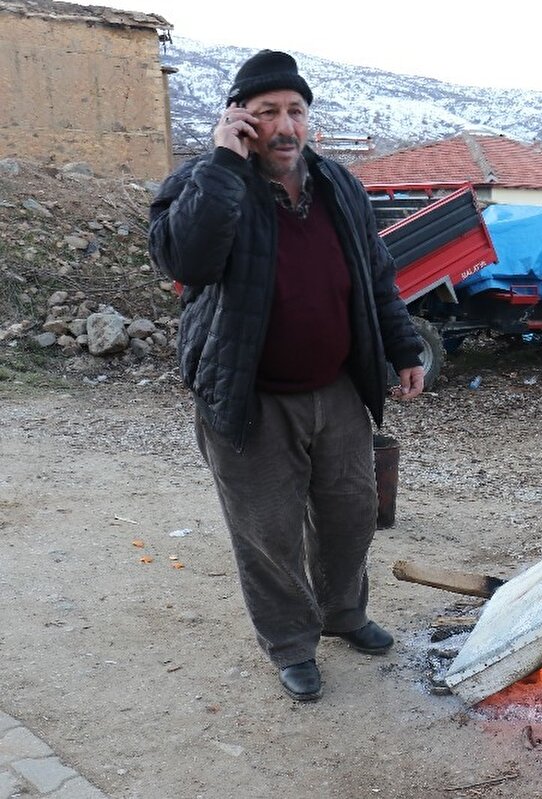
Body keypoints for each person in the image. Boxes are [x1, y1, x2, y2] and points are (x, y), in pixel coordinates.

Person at [148, 50, 426, 701]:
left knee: (351, 511)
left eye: (294, 111)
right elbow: (184, 256)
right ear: (238, 118)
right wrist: (224, 162)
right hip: (248, 394)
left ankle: (343, 612)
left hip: (334, 386)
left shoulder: (338, 185)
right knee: (267, 530)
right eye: (266, 111)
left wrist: (404, 348)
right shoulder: (203, 181)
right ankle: (291, 643)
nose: (283, 124)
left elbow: (376, 276)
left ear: (308, 120)